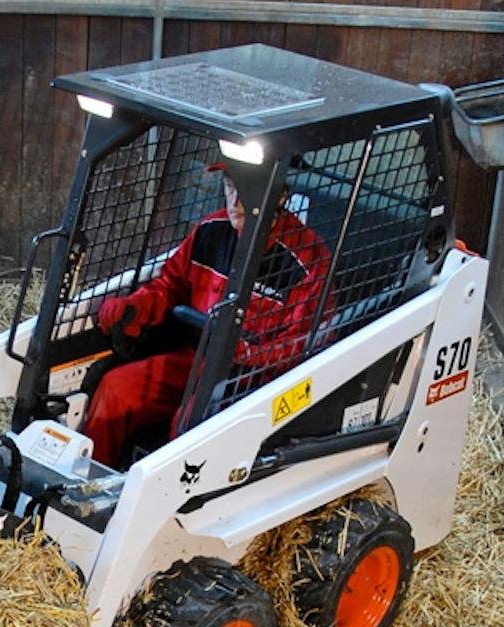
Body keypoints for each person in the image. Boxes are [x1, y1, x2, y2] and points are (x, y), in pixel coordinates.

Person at [80, 164, 332, 468]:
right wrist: (135, 307)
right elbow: (170, 285)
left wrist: (248, 352)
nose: (235, 200)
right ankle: (86, 484)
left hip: (252, 381)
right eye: (230, 186)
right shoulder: (209, 230)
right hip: (197, 358)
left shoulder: (308, 260)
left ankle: (163, 492)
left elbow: (304, 343)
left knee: (191, 420)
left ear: (280, 195)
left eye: (246, 189)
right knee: (116, 389)